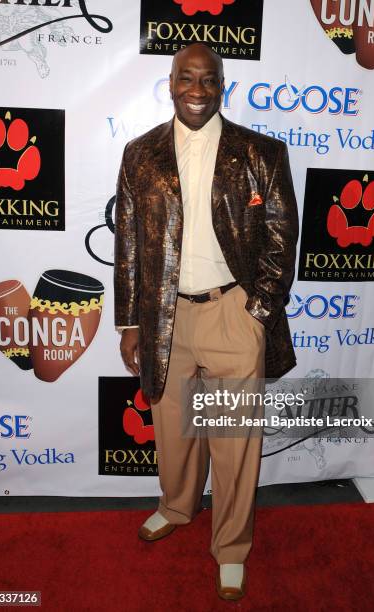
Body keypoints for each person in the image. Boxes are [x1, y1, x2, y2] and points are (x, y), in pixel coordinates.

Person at [114, 42, 298, 600]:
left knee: (234, 440)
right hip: (166, 316)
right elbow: (128, 245)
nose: (197, 90)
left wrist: (256, 312)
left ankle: (232, 548)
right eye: (186, 78)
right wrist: (129, 324)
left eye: (209, 79)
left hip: (231, 314)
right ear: (169, 84)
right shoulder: (140, 154)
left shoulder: (260, 152)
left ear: (223, 86)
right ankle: (175, 506)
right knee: (173, 433)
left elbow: (281, 238)